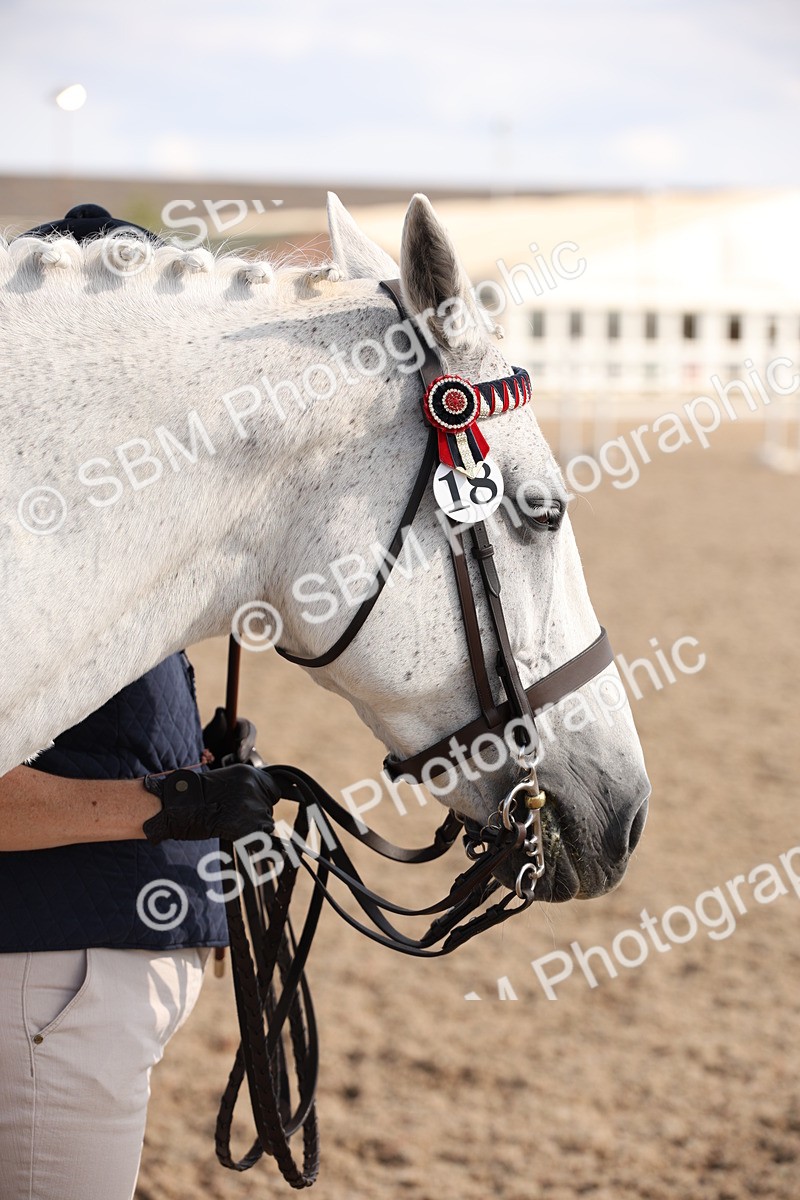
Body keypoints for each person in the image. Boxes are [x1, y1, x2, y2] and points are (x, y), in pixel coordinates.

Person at [0, 206, 275, 1200]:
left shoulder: (110, 537)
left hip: (101, 975)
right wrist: (162, 809)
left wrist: (194, 759)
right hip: (49, 976)